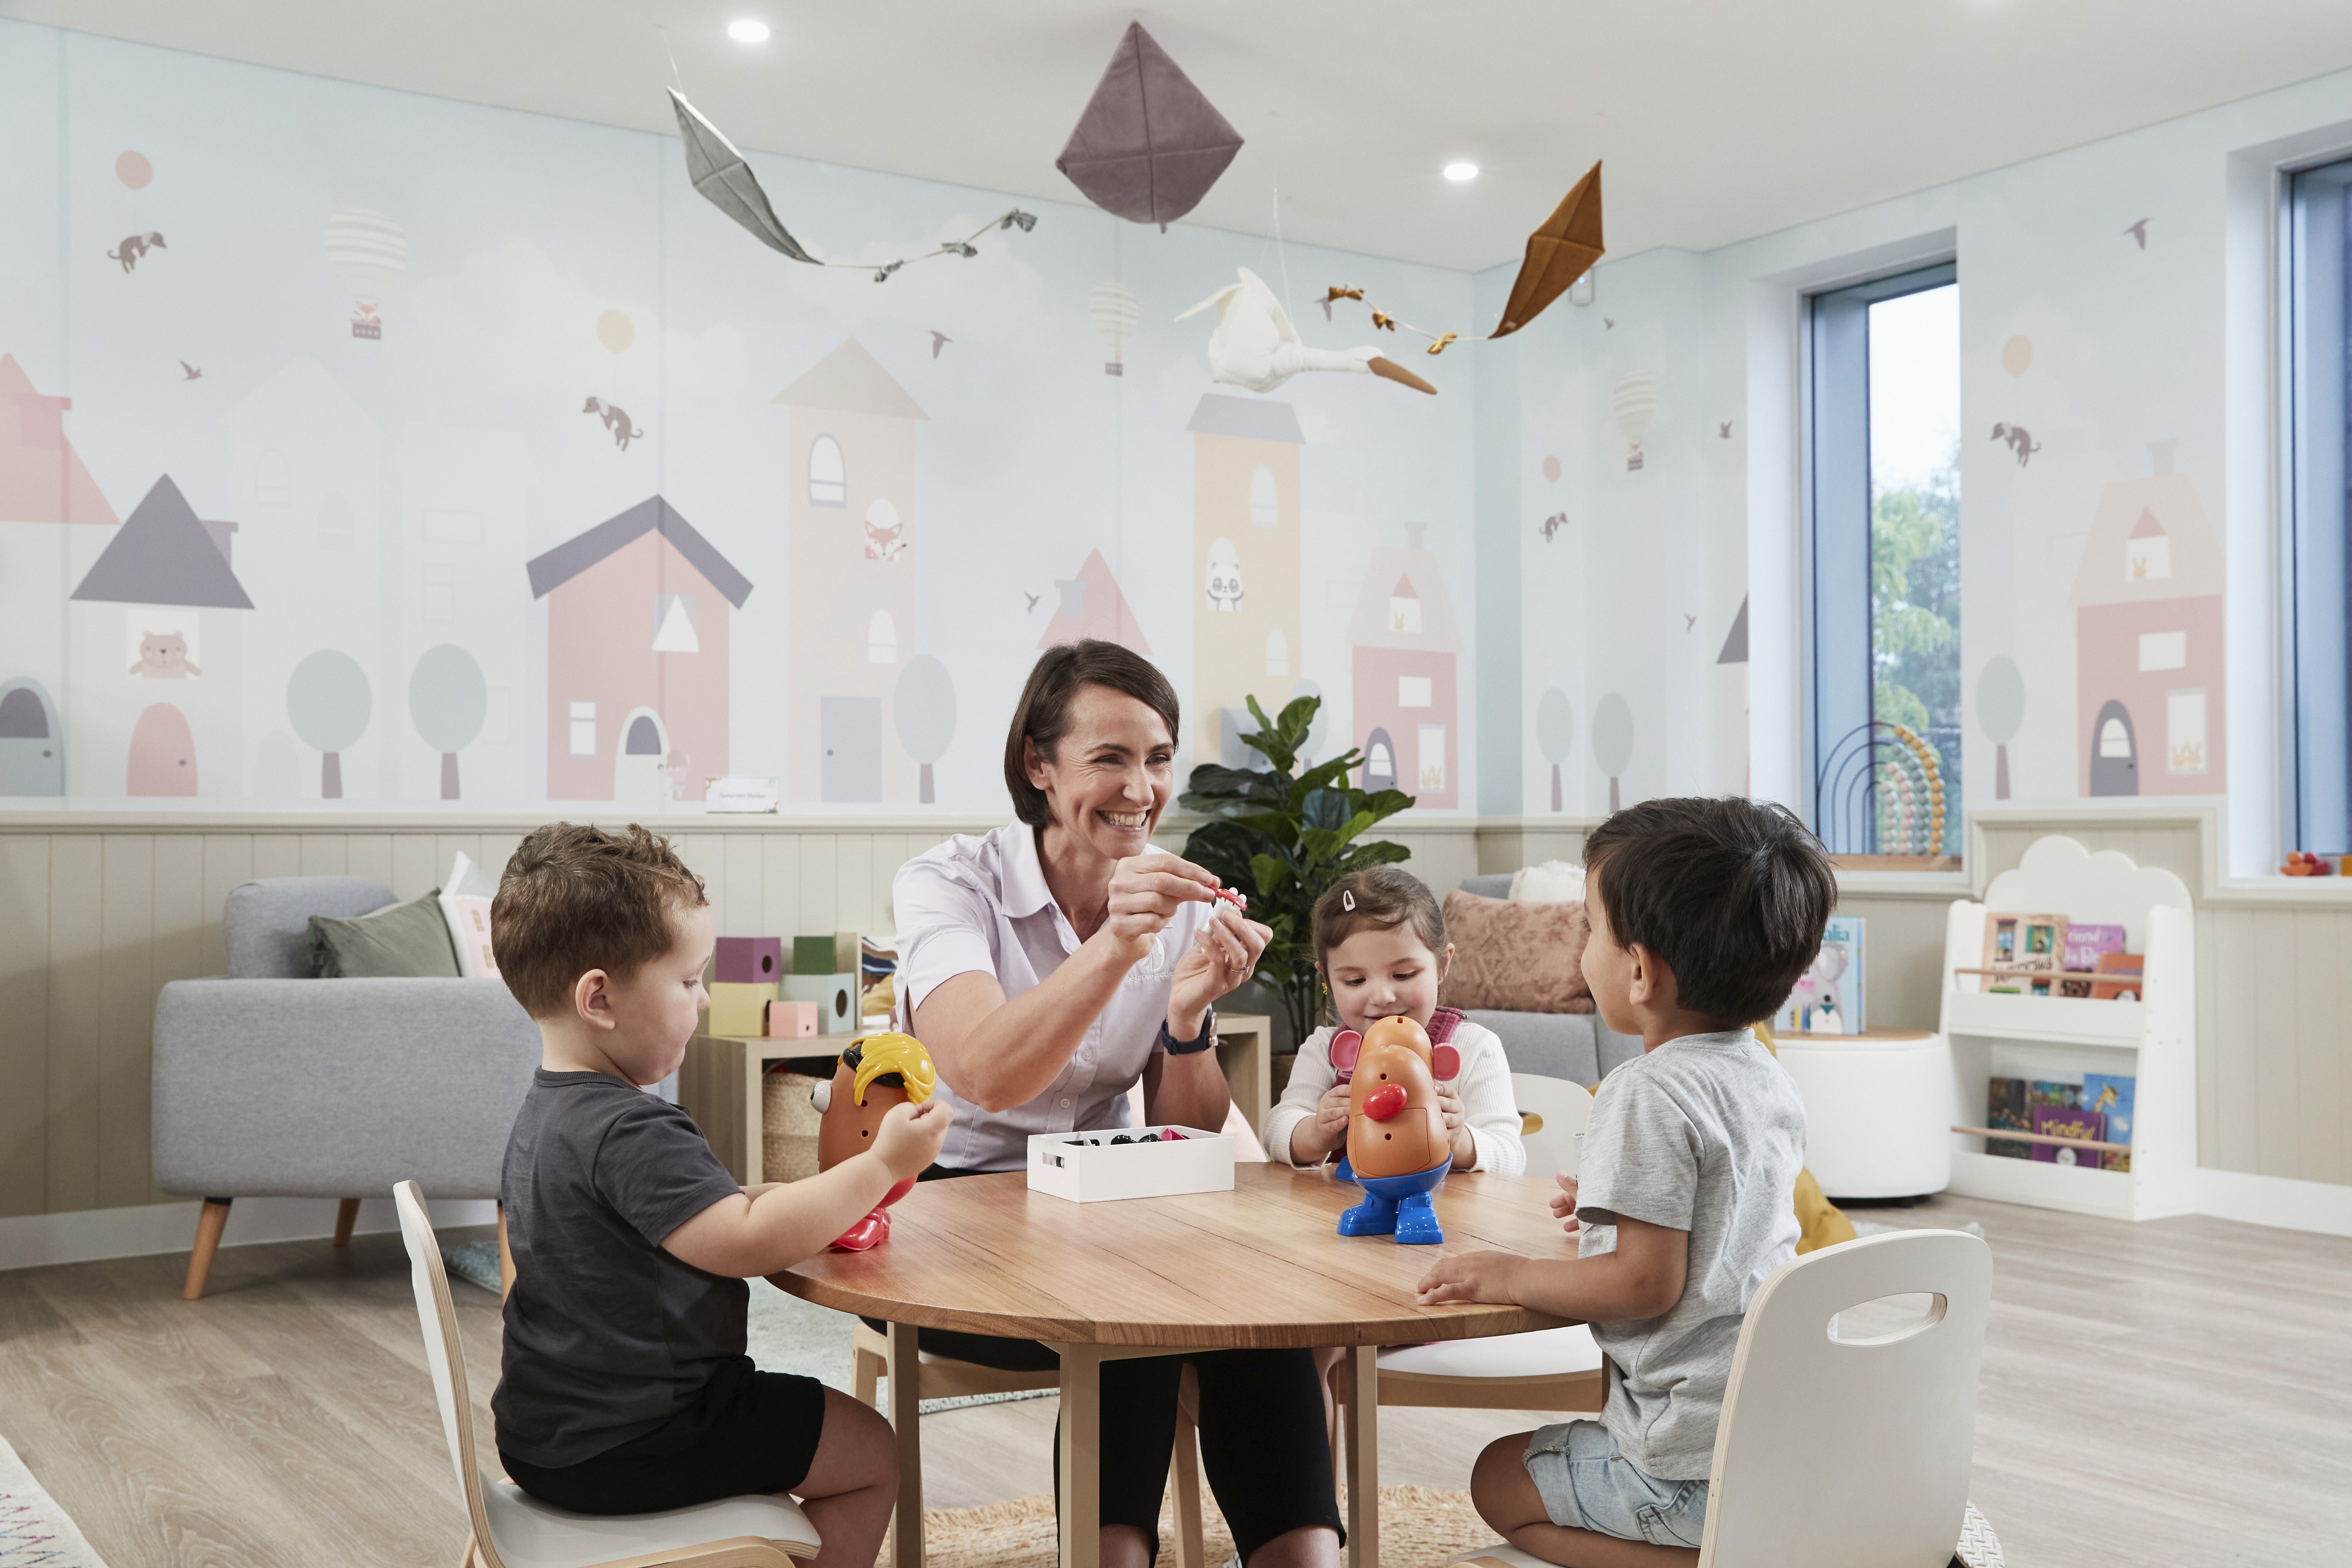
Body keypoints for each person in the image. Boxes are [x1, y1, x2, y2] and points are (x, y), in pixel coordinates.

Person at [893, 639, 1344, 1568]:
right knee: (1138, 1305)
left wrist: (1187, 1020)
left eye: (1158, 758)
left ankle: (1302, 1556)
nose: (1140, 788)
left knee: (1250, 1298)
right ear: (1038, 765)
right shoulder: (949, 883)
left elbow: (1188, 1120)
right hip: (942, 1219)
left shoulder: (1177, 896)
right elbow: (983, 1070)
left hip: (1101, 1206)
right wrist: (1119, 947)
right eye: (1109, 758)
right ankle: (1113, 1554)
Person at [489, 823, 954, 1568]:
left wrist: (751, 1195)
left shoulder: (546, 1113)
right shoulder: (633, 1127)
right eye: (687, 981)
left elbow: (640, 1222)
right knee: (872, 1453)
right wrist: (878, 1166)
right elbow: (744, 1244)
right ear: (600, 999)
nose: (702, 1002)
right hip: (645, 1434)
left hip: (545, 1436)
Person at [1415, 797, 1831, 1564]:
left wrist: (1509, 1272)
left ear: (1639, 971)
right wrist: (1612, 1211)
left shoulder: (1646, 1090)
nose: (1585, 952)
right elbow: (1723, 1219)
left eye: (1591, 930)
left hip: (1684, 1464)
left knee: (1496, 1477)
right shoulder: (1763, 1073)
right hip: (1773, 1437)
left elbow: (1643, 1285)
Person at [1262, 865, 1524, 1177]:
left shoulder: (1473, 1047)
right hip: (1342, 1215)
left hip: (1447, 1219)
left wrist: (1460, 1138)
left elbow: (1511, 1156)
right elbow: (1276, 1130)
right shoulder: (1324, 1050)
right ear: (1328, 980)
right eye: (1356, 981)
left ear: (1443, 964)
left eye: (1403, 975)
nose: (1382, 996)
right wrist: (1316, 1132)